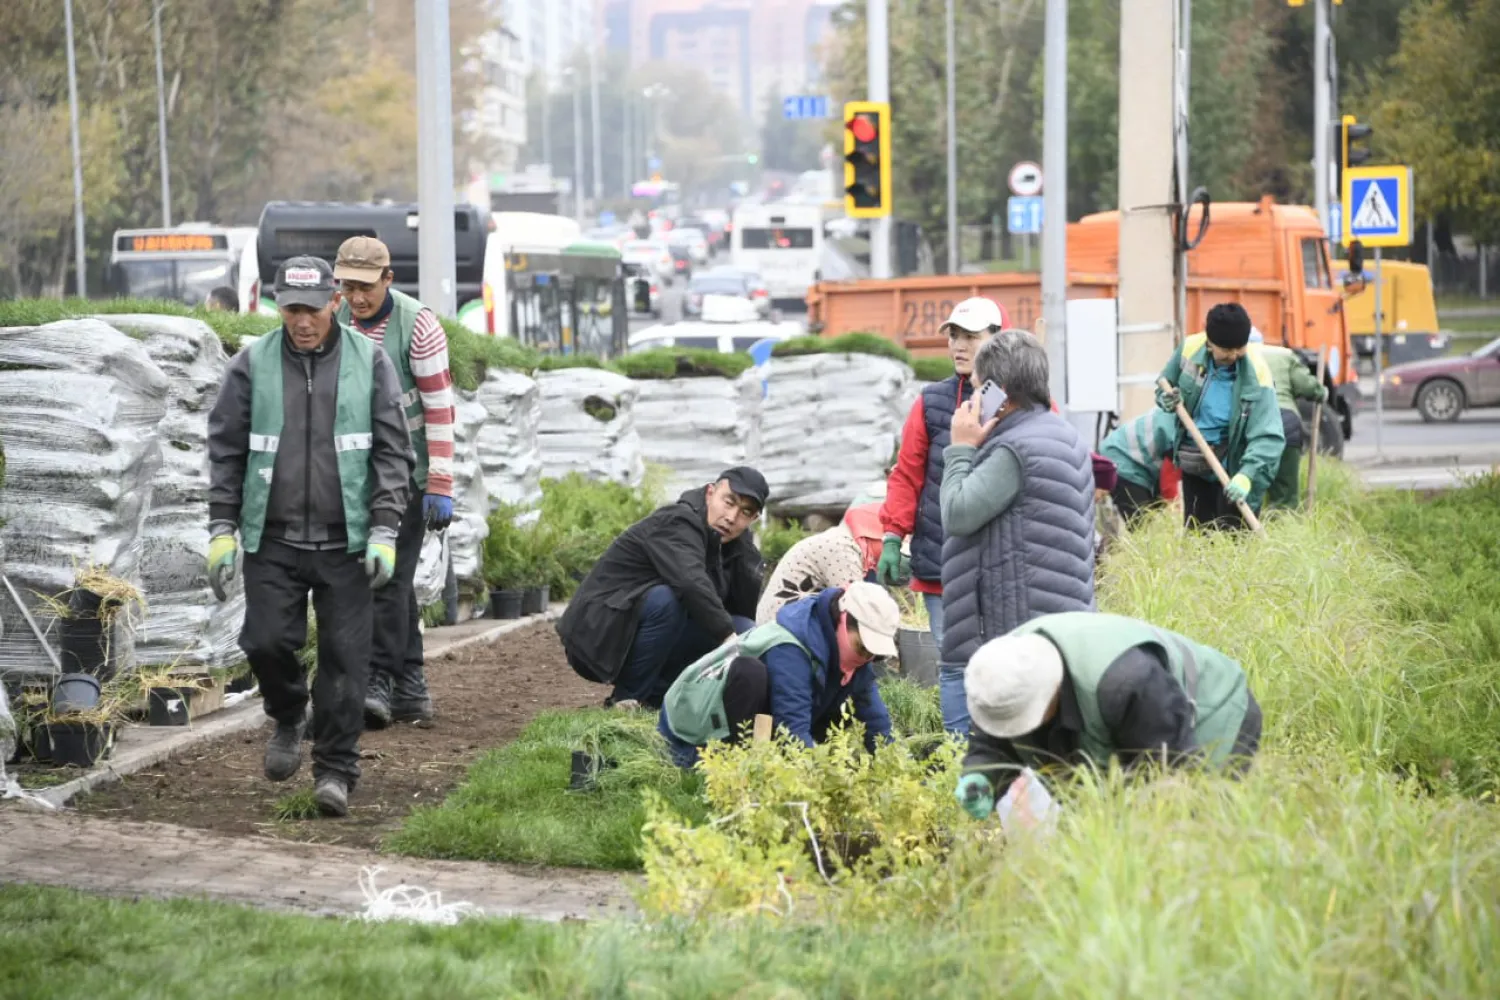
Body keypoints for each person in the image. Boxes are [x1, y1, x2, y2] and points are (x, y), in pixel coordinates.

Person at [205, 256, 413, 817]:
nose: (302, 322)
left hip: (347, 542)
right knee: (265, 643)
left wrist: (386, 529)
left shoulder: (370, 363)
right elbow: (226, 450)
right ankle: (289, 711)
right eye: (292, 309)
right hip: (272, 540)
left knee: (347, 663)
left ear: (335, 304)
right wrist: (222, 528)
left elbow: (395, 453)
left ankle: (336, 772)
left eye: (313, 310)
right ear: (277, 306)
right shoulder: (252, 364)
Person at [952, 611, 1263, 820]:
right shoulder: (1003, 674)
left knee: (1191, 822)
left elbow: (1168, 774)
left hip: (1212, 714)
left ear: (1050, 693)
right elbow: (995, 739)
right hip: (1133, 715)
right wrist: (982, 775)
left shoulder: (1127, 682)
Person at [938, 330, 1096, 735]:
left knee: (980, 765)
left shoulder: (1013, 450)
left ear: (999, 395)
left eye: (977, 389)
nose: (971, 400)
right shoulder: (1064, 436)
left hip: (1007, 639)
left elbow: (956, 513)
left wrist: (960, 447)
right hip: (1055, 634)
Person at [333, 236, 457, 729]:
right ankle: (412, 685)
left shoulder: (418, 326)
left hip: (409, 472)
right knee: (395, 579)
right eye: (347, 286)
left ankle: (380, 679)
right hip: (360, 473)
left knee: (386, 577)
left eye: (366, 286)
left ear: (388, 279)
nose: (357, 297)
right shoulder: (336, 320)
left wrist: (440, 485)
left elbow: (439, 407)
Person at [557, 467, 769, 710]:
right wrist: (729, 639)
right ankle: (626, 700)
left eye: (745, 513)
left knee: (745, 629)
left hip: (640, 632)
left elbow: (742, 611)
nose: (731, 517)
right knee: (670, 601)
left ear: (753, 520)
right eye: (728, 502)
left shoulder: (733, 546)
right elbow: (691, 583)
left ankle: (657, 700)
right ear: (710, 493)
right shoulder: (678, 521)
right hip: (598, 635)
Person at [877, 297, 1007, 649]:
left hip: (1002, 561)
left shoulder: (1020, 400)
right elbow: (907, 474)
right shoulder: (930, 401)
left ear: (998, 338)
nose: (959, 345)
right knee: (952, 661)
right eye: (954, 335)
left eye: (970, 336)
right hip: (941, 560)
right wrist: (892, 535)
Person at [659, 583, 899, 768]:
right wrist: (819, 781)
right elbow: (793, 728)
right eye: (862, 647)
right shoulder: (791, 648)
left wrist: (895, 765)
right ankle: (734, 760)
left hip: (761, 711)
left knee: (848, 712)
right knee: (750, 674)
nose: (866, 657)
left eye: (874, 654)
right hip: (693, 720)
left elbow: (874, 718)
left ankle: (758, 755)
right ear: (842, 621)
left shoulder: (850, 651)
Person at [1156, 303, 1285, 530]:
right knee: (1198, 539)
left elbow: (1269, 435)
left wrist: (1247, 474)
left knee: (1236, 541)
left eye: (1240, 348)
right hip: (1196, 461)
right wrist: (1166, 399)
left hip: (1236, 466)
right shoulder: (1189, 350)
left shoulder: (1257, 372)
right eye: (1226, 350)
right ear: (1209, 343)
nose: (1234, 355)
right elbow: (1166, 384)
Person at [755, 502, 886, 623]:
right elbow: (855, 610)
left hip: (789, 623)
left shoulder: (845, 540)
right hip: (781, 633)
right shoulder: (842, 549)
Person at [1248, 329, 1329, 510]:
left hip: (1252, 423)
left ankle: (1249, 533)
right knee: (1284, 495)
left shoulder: (1233, 358)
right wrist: (1322, 392)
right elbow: (1309, 388)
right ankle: (1284, 532)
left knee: (1249, 489)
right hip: (1286, 422)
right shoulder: (1283, 355)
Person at [1097, 409, 1179, 524]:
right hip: (1122, 458)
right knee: (1141, 524)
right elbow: (1168, 485)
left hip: (1141, 462)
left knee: (1154, 520)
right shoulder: (1179, 432)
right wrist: (1176, 514)